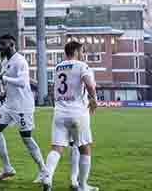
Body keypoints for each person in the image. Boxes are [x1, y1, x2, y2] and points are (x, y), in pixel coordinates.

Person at [0, 34, 46, 182]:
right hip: (9, 104)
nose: (1, 47)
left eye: (3, 44)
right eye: (0, 44)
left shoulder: (20, 61)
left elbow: (22, 82)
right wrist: (4, 93)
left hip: (22, 106)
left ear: (12, 44)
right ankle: (7, 168)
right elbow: (10, 83)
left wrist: (1, 77)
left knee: (26, 138)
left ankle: (43, 170)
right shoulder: (5, 62)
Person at [41, 41, 98, 191]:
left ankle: (47, 177)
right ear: (76, 51)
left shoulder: (58, 67)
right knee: (84, 148)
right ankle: (83, 184)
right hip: (78, 113)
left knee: (56, 148)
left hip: (60, 113)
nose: (83, 54)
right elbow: (90, 85)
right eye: (82, 51)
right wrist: (93, 99)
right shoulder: (81, 66)